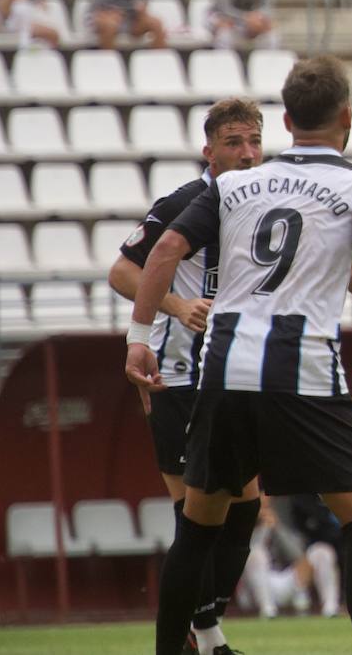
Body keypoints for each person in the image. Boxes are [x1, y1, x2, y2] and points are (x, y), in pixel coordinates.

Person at [124, 54, 352, 655]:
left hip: (225, 370)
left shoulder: (234, 185)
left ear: (285, 122)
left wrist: (137, 337)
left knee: (200, 525)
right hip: (303, 367)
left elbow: (165, 251)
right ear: (347, 117)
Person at [108, 97, 264, 655]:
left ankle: (205, 631)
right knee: (196, 515)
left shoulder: (262, 203)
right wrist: (176, 307)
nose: (247, 155)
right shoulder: (186, 202)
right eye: (233, 144)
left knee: (245, 512)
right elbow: (123, 270)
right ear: (209, 151)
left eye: (254, 143)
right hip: (177, 377)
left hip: (235, 374)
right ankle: (191, 641)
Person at [240, 498, 341, 619]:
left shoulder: (279, 519)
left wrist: (276, 528)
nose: (263, 511)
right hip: (254, 584)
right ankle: (268, 611)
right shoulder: (241, 525)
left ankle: (331, 608)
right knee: (256, 554)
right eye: (260, 507)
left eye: (267, 507)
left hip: (283, 579)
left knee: (322, 550)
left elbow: (297, 554)